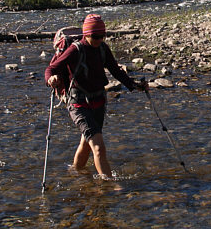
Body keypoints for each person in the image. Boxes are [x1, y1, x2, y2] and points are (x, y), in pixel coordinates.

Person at [44, 14, 148, 178]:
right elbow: (51, 68)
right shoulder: (75, 50)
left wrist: (134, 86)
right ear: (86, 34)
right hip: (78, 103)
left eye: (102, 36)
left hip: (98, 101)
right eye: (96, 36)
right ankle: (108, 186)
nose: (99, 39)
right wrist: (51, 78)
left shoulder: (102, 49)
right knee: (98, 147)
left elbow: (116, 71)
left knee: (86, 144)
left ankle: (75, 173)